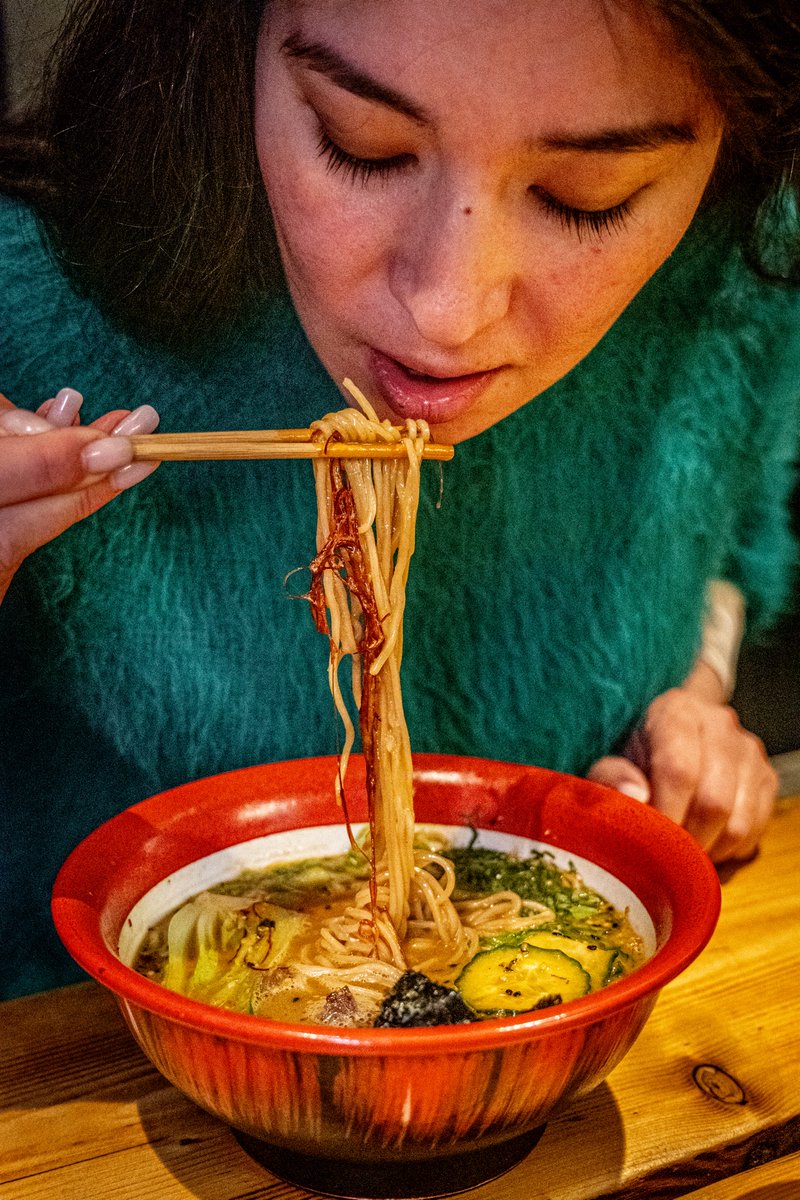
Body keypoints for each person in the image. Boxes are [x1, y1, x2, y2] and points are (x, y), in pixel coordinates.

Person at [1, 0, 799, 1001]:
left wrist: (693, 701)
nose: (446, 309)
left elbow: (721, 547)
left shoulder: (741, 258)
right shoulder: (25, 294)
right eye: (362, 146)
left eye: (585, 195)